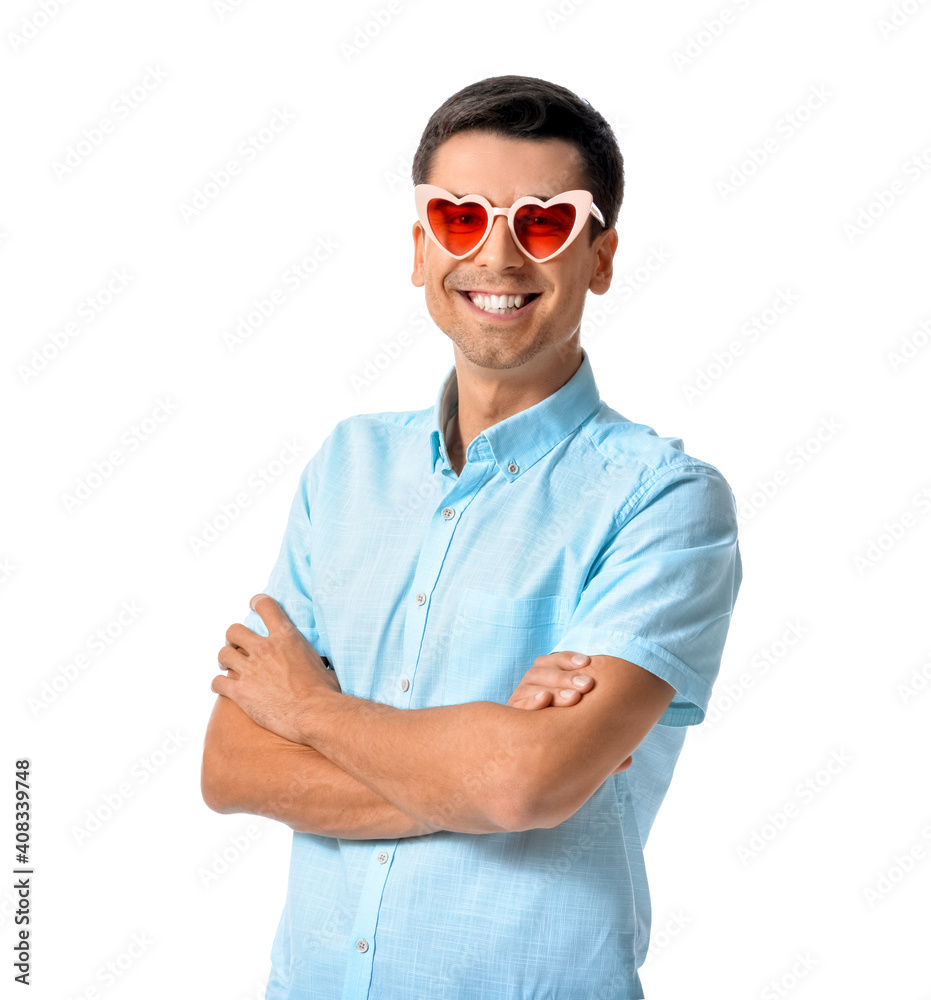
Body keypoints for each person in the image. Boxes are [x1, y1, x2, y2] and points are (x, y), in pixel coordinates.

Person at [201, 74, 743, 999]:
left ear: (599, 257)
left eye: (541, 224)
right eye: (459, 219)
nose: (495, 257)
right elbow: (230, 764)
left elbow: (524, 787)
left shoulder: (664, 501)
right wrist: (482, 768)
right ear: (421, 249)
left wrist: (312, 714)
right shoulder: (346, 467)